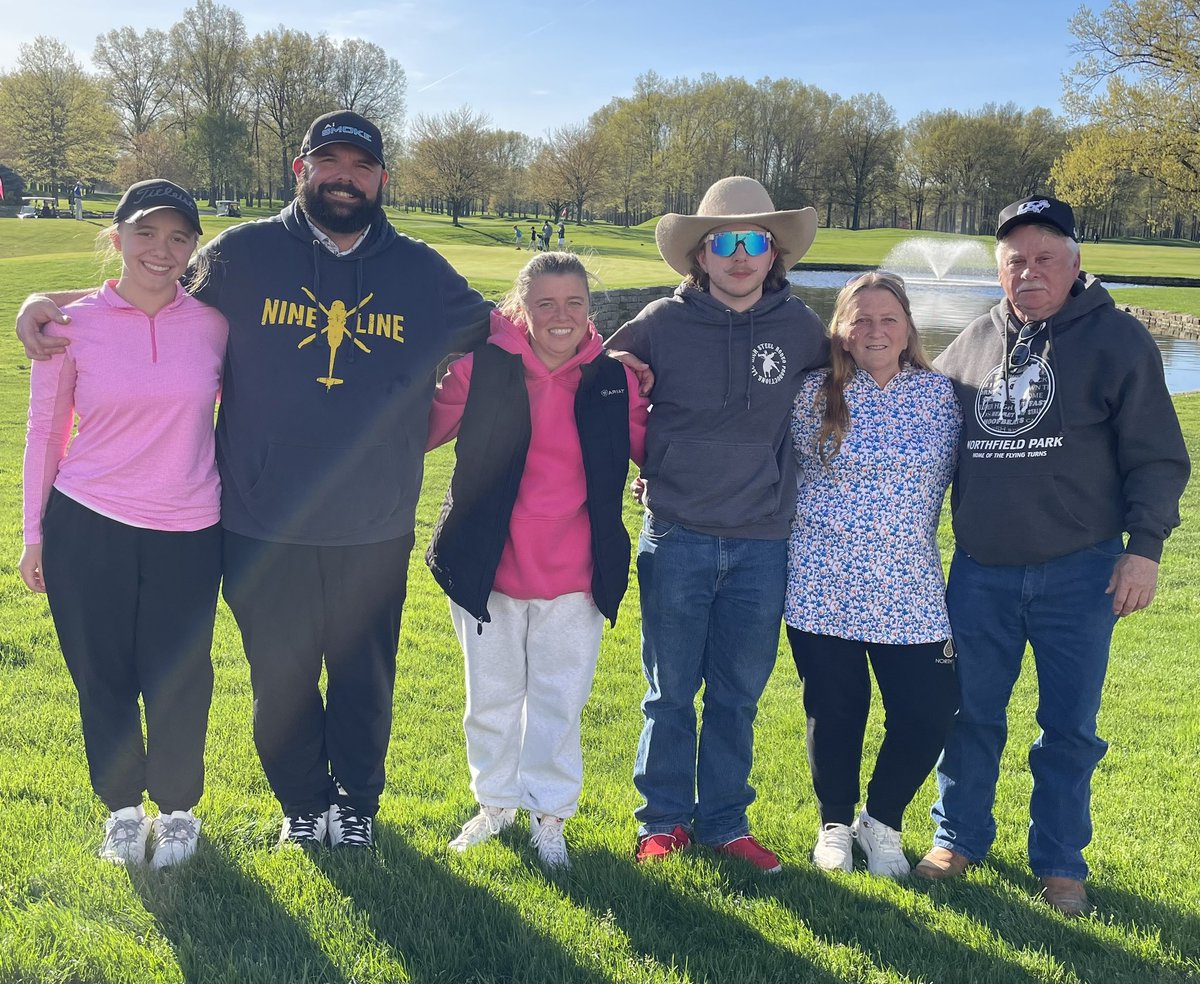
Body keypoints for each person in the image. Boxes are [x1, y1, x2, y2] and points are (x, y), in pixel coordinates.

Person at [16, 110, 494, 853]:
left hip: (374, 520)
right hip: (258, 520)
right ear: (299, 170)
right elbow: (150, 286)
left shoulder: (421, 271)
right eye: (326, 162)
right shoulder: (243, 254)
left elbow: (505, 331)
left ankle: (357, 805)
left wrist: (614, 351)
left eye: (360, 165)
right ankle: (303, 805)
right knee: (281, 680)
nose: (343, 176)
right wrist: (46, 306)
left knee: (366, 679)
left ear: (380, 180)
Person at [919, 195, 1190, 915]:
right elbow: (904, 413)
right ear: (1000, 270)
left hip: (1082, 570)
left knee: (1068, 728)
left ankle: (1061, 864)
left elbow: (1158, 458)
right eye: (1016, 262)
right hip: (979, 570)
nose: (1030, 272)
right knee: (969, 715)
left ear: (1075, 264)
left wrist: (1146, 551)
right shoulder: (973, 342)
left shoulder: (1118, 342)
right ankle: (959, 838)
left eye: (1045, 259)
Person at [607, 176, 828, 872]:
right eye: (724, 242)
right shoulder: (658, 323)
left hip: (764, 542)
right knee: (669, 692)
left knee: (736, 697)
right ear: (700, 255)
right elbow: (594, 382)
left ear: (774, 254)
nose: (740, 255)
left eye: (754, 242)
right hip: (677, 535)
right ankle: (662, 821)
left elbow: (854, 393)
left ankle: (726, 823)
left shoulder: (802, 330)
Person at [20, 179, 227, 868]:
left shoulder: (214, 326)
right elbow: (45, 434)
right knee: (101, 674)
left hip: (191, 528)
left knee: (179, 674)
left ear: (194, 246)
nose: (161, 250)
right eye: (145, 233)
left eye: (177, 237)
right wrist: (33, 535)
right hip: (88, 522)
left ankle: (176, 813)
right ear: (117, 239)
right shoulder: (67, 325)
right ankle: (121, 810)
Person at [426, 252, 649, 869]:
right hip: (486, 566)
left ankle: (549, 815)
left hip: (577, 573)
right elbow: (413, 432)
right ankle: (494, 805)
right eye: (545, 303)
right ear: (520, 308)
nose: (561, 316)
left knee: (558, 701)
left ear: (589, 310)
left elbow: (656, 452)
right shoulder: (479, 370)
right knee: (490, 699)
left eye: (574, 303)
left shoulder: (613, 380)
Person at [785, 272, 960, 878]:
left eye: (888, 319)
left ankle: (881, 821)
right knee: (836, 710)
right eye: (861, 319)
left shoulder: (942, 398)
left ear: (908, 326)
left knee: (928, 711)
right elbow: (750, 457)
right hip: (821, 583)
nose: (876, 331)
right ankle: (835, 821)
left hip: (909, 588)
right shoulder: (810, 394)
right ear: (841, 329)